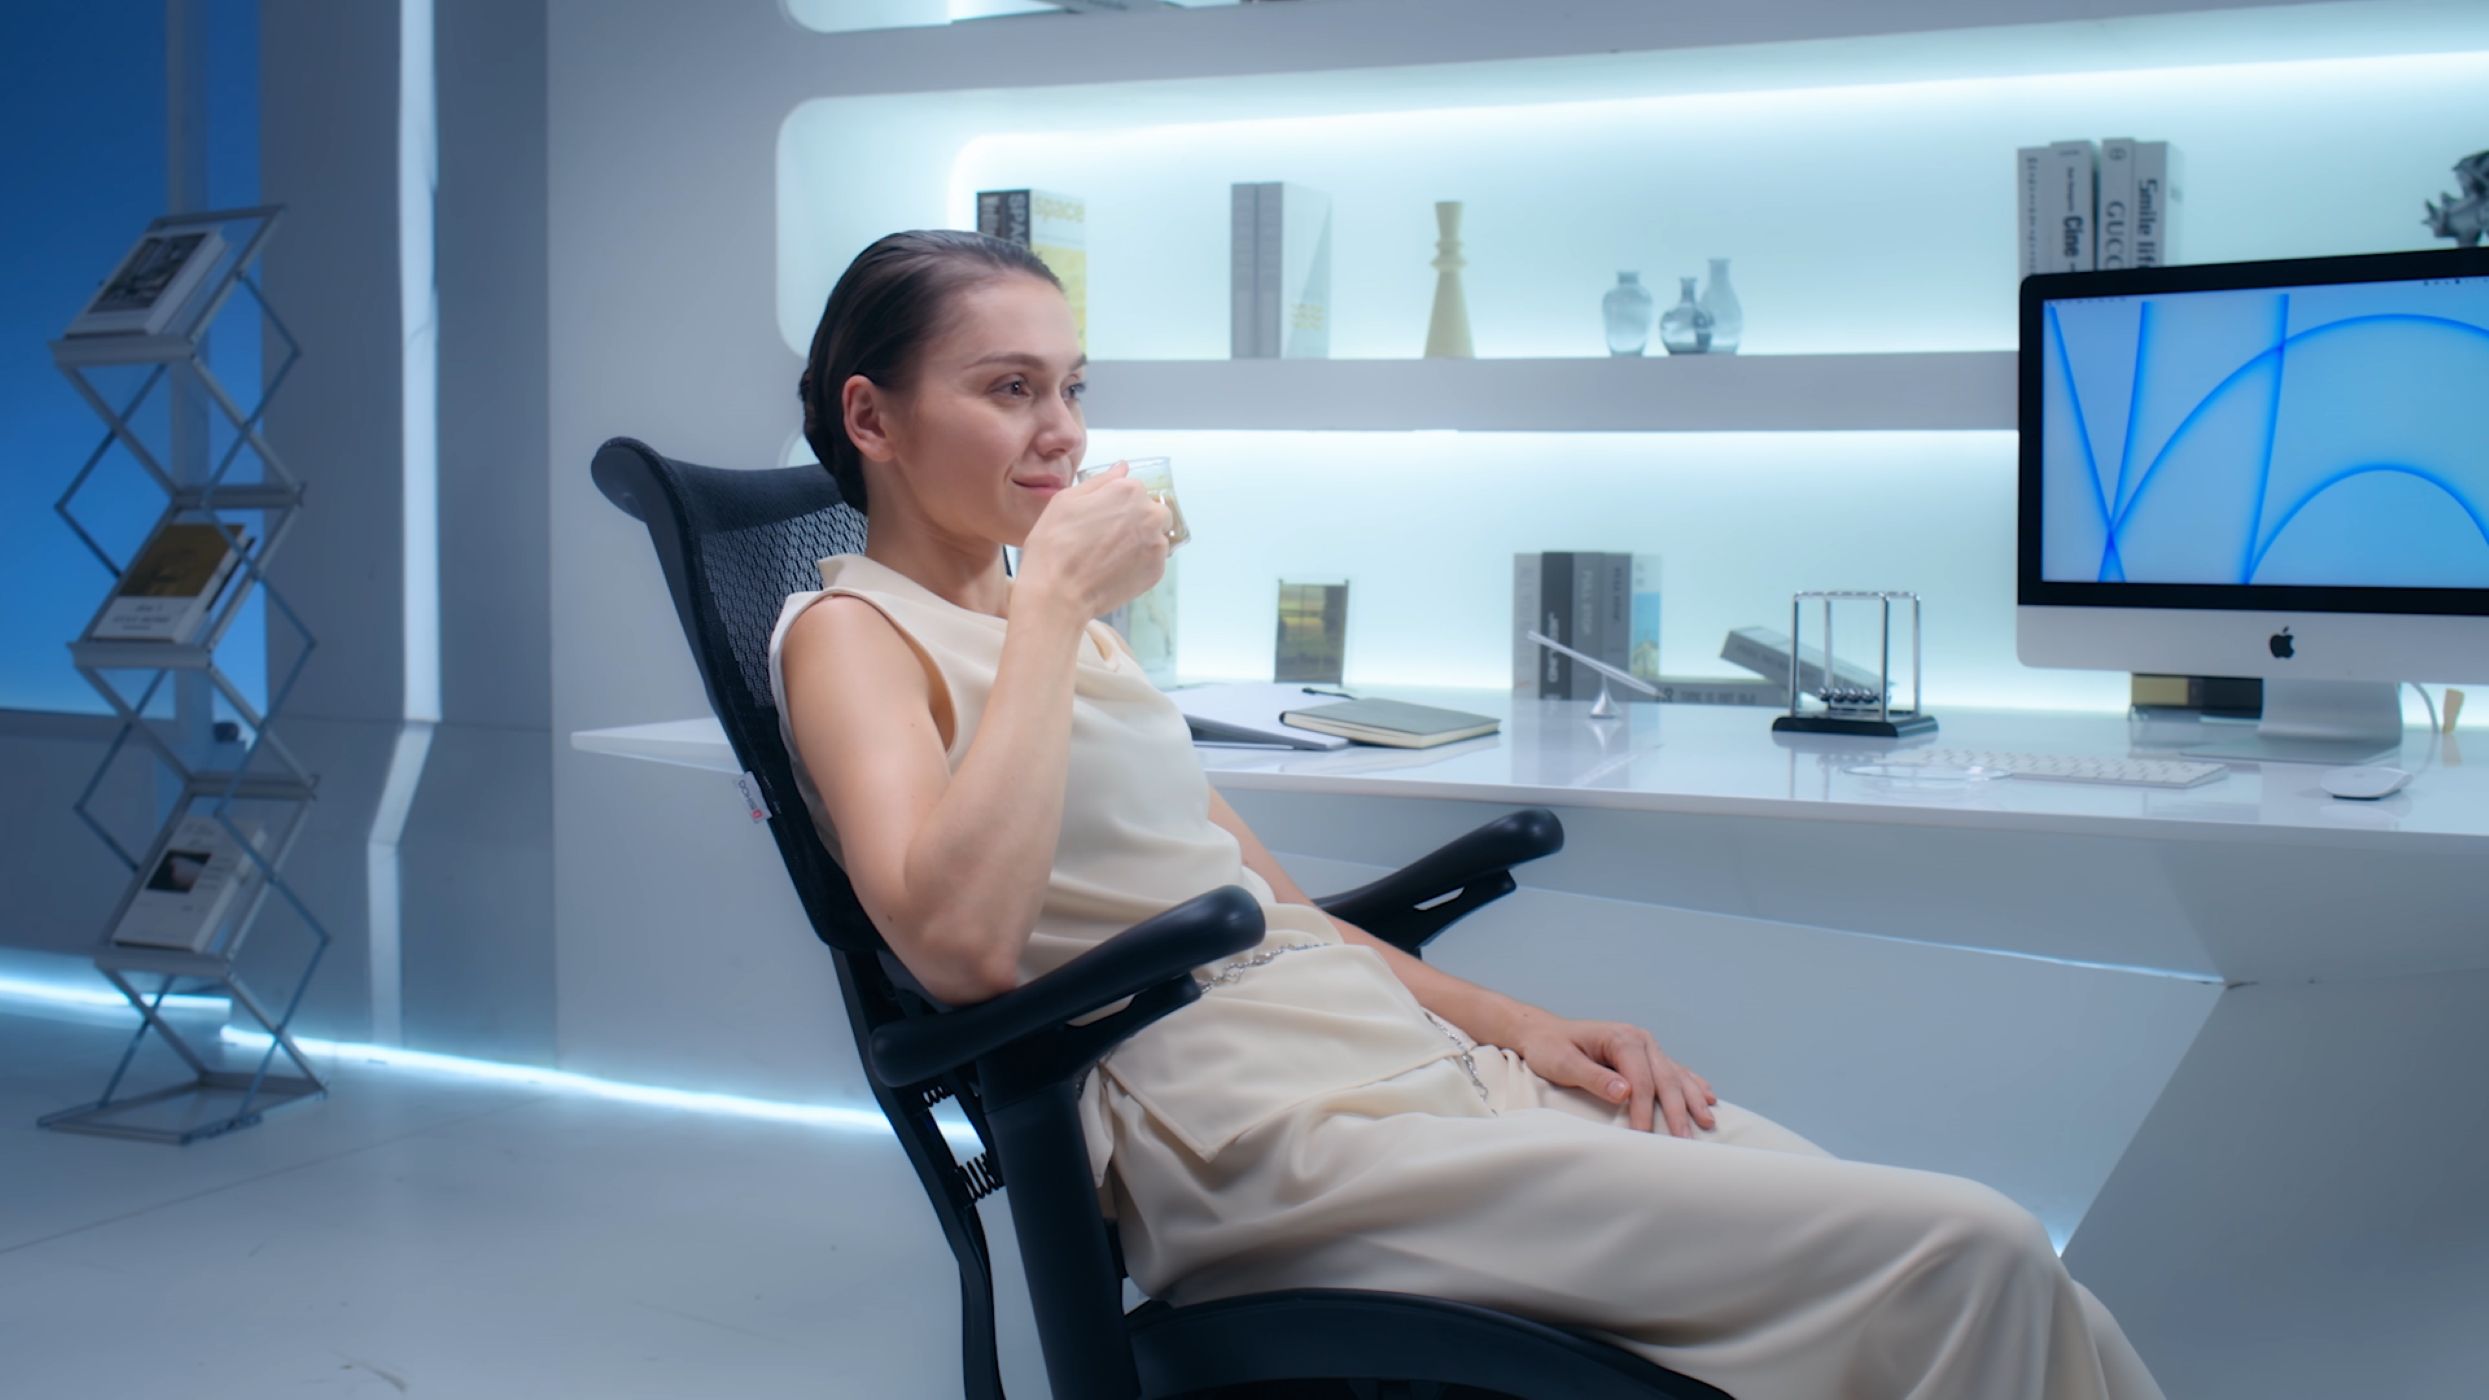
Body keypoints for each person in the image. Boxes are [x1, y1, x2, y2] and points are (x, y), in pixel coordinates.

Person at [770, 229, 2167, 1400]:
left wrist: (1512, 1025)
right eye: (1009, 388)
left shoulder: (1040, 624)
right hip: (1266, 1142)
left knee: (1984, 1277)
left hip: (1399, 1068)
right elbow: (958, 950)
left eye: (1070, 385)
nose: (1061, 431)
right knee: (1963, 1248)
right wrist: (1062, 600)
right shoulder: (855, 635)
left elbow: (1279, 914)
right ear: (871, 417)